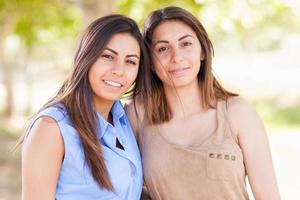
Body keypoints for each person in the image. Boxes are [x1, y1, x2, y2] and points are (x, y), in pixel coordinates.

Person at [126, 6, 280, 200]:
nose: (176, 57)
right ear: (150, 61)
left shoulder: (238, 112)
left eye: (186, 44)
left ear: (202, 51)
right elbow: (120, 186)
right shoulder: (137, 115)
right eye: (163, 48)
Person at [20, 14, 151, 200]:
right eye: (107, 56)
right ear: (86, 58)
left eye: (130, 61)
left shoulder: (124, 119)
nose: (119, 70)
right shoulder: (51, 128)